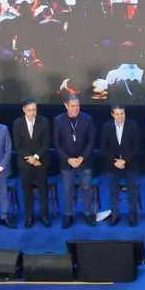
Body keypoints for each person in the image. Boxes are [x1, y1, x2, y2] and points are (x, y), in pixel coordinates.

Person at [53, 95, 96, 228]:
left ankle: (87, 213)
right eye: (72, 106)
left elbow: (91, 141)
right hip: (67, 162)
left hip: (84, 161)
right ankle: (67, 215)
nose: (76, 108)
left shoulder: (87, 119)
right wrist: (68, 159)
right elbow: (56, 143)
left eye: (77, 105)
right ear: (66, 106)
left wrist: (82, 157)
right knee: (67, 189)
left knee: (86, 188)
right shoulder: (58, 120)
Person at [100, 104, 143, 227]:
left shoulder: (133, 126)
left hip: (130, 163)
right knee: (113, 191)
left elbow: (137, 146)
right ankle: (114, 215)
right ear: (113, 114)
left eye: (122, 114)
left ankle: (132, 216)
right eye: (117, 114)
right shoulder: (106, 127)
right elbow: (104, 147)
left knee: (132, 191)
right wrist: (115, 161)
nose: (120, 116)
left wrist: (125, 160)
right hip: (112, 164)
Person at [12, 98, 51, 228]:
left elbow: (46, 143)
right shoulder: (17, 123)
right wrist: (29, 158)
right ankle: (29, 217)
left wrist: (36, 157)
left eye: (34, 109)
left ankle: (44, 216)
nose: (32, 112)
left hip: (40, 161)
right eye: (29, 110)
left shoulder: (43, 121)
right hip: (25, 162)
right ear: (24, 110)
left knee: (42, 190)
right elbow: (17, 145)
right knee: (27, 191)